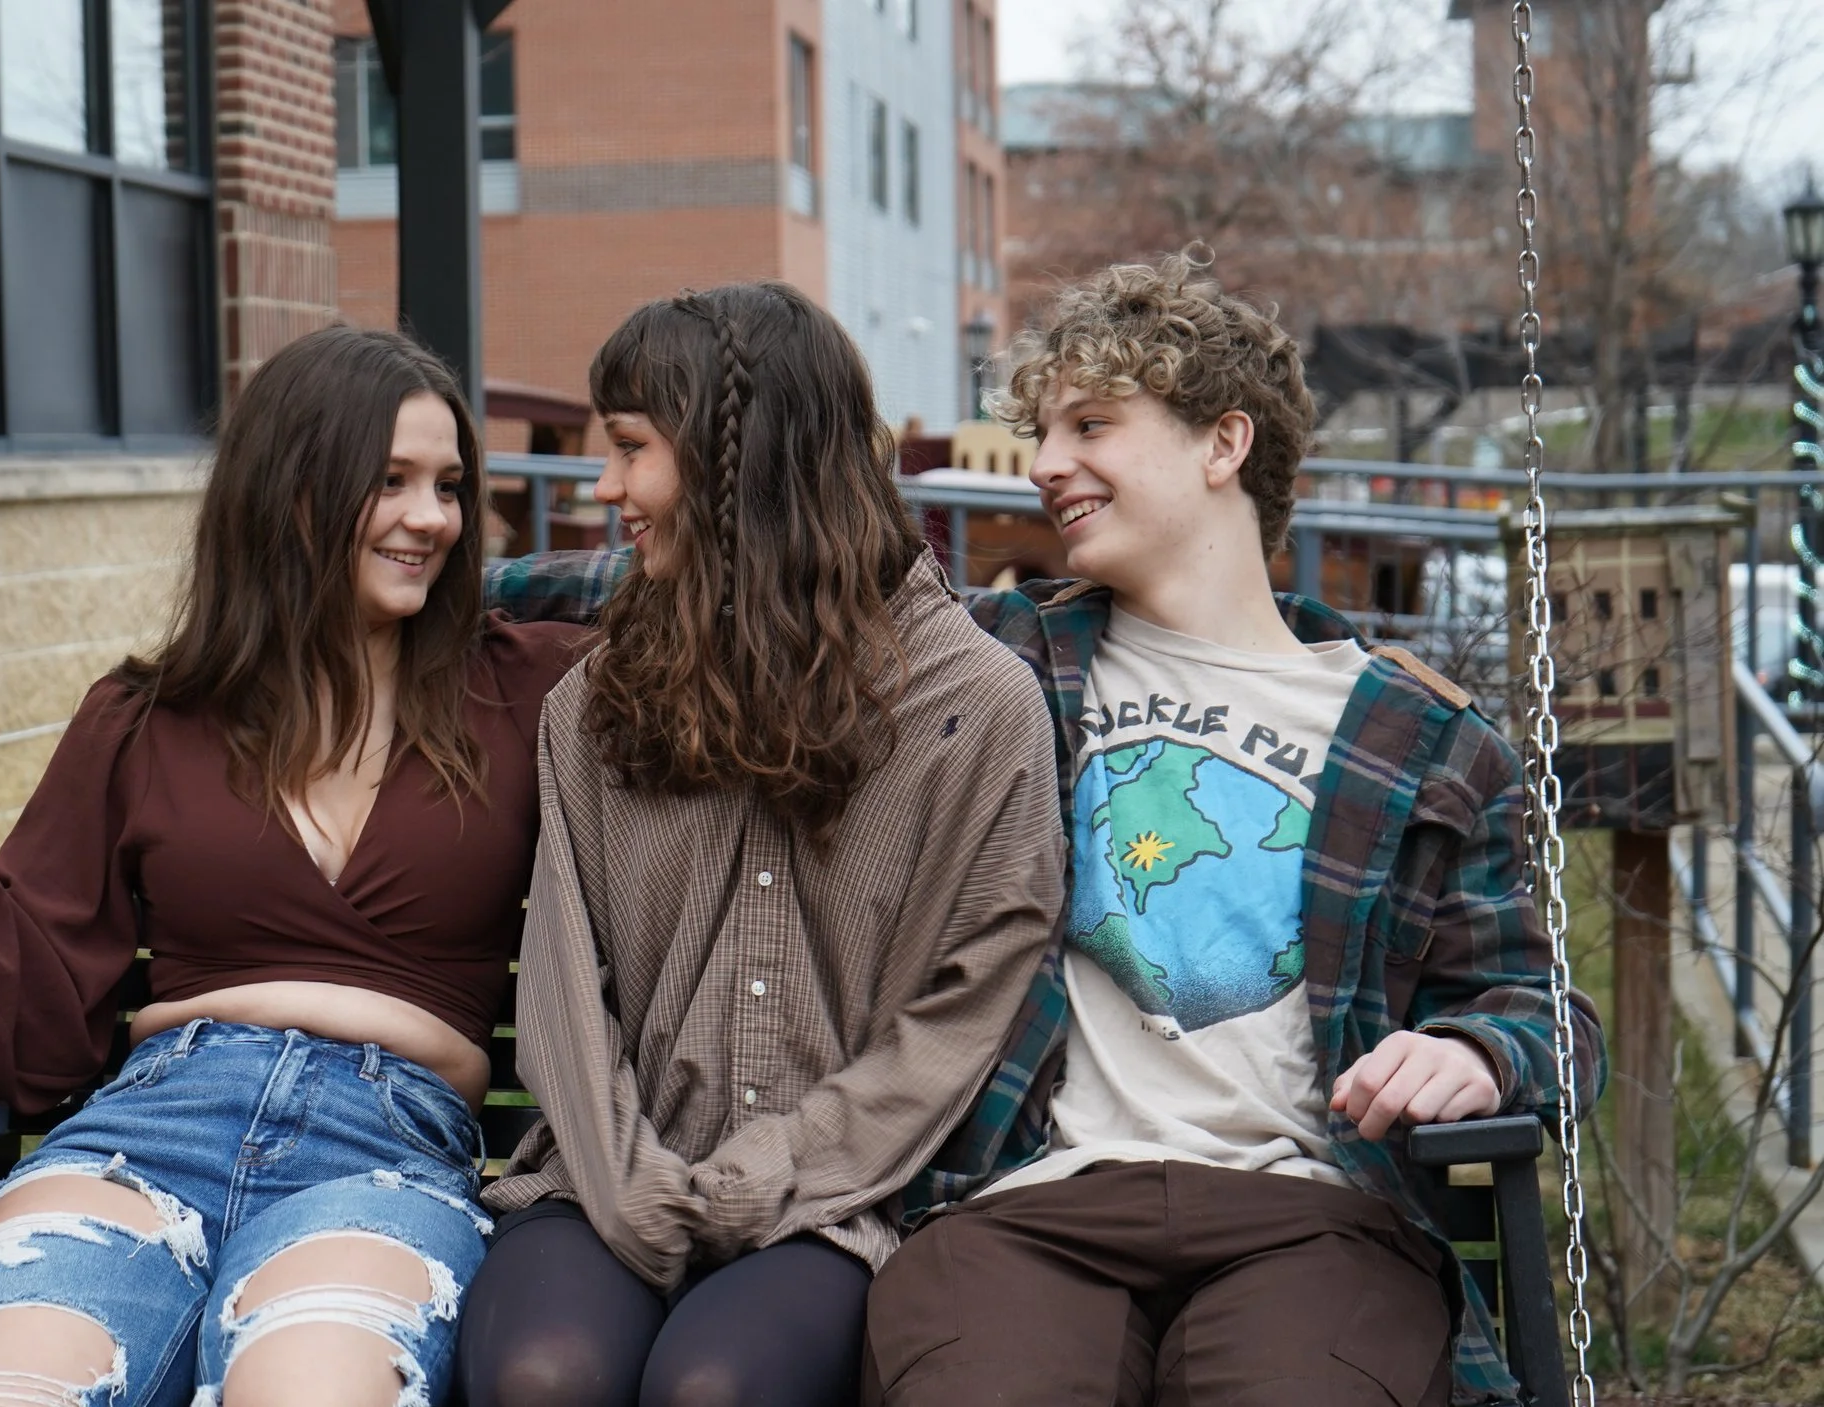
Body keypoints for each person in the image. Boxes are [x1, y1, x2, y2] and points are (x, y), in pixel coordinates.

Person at [483, 255, 1608, 1406]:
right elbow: (753, 561)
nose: (1043, 465)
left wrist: (1476, 1052)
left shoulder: (1417, 741)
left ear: (1223, 444)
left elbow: (1544, 1015)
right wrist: (437, 579)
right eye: (1042, 432)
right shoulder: (1006, 661)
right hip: (1029, 1205)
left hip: (1310, 1214)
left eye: (1091, 425)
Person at [0, 326, 589, 1407]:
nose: (433, 517)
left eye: (448, 487)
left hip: (384, 1154)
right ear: (290, 493)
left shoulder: (526, 692)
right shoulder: (148, 716)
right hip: (144, 1135)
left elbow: (731, 609)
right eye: (390, 481)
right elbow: (1, 1034)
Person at [457, 281, 1067, 1407]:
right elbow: (563, 979)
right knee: (543, 1376)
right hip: (601, 1178)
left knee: (716, 1391)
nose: (603, 488)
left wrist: (762, 1177)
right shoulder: (598, 700)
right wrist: (632, 1186)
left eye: (631, 448)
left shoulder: (973, 708)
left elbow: (963, 1006)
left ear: (738, 462)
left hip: (832, 1206)